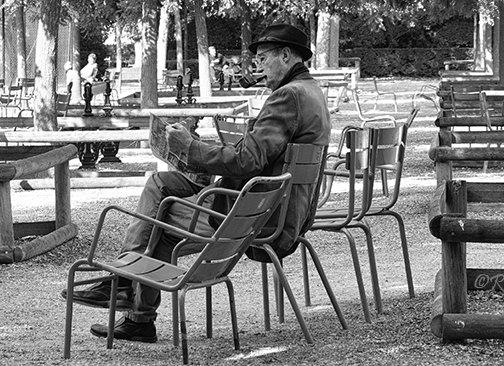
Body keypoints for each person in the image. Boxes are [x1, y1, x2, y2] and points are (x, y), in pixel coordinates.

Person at [62, 23, 331, 343]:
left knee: (158, 207)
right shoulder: (312, 92)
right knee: (162, 185)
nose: (258, 66)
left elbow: (247, 160)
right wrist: (196, 153)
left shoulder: (288, 96)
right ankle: (131, 302)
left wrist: (188, 147)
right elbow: (257, 156)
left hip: (251, 216)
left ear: (285, 55)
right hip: (275, 210)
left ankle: (128, 290)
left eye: (262, 58)